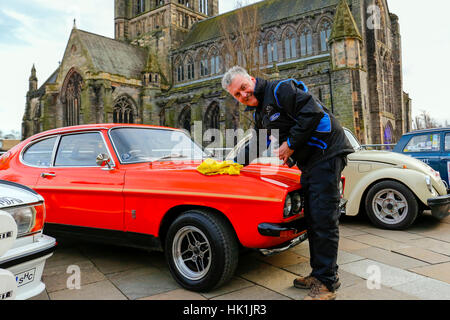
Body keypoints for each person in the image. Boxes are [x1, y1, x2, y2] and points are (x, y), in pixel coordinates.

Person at [222, 66, 354, 300]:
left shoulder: (280, 89)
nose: (243, 95)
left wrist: (291, 143)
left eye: (243, 87)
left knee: (324, 218)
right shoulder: (260, 112)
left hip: (327, 154)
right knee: (313, 217)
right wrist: (231, 164)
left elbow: (313, 113)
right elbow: (256, 143)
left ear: (251, 80)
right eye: (237, 94)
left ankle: (327, 284)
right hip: (311, 163)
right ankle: (320, 273)